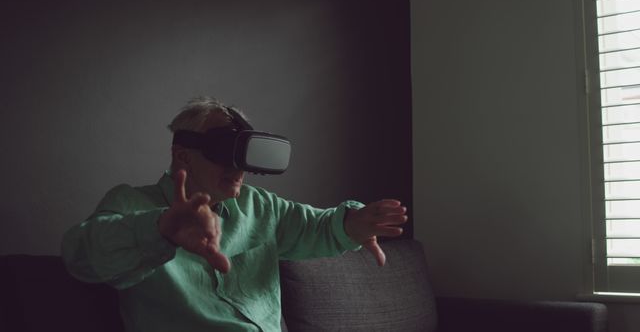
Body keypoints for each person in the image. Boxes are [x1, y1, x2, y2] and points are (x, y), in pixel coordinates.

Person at [61, 96, 407, 332]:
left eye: (243, 154)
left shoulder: (260, 206)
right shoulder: (131, 203)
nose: (237, 169)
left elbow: (317, 227)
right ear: (182, 156)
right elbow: (80, 257)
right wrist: (160, 229)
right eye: (223, 152)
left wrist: (355, 223)